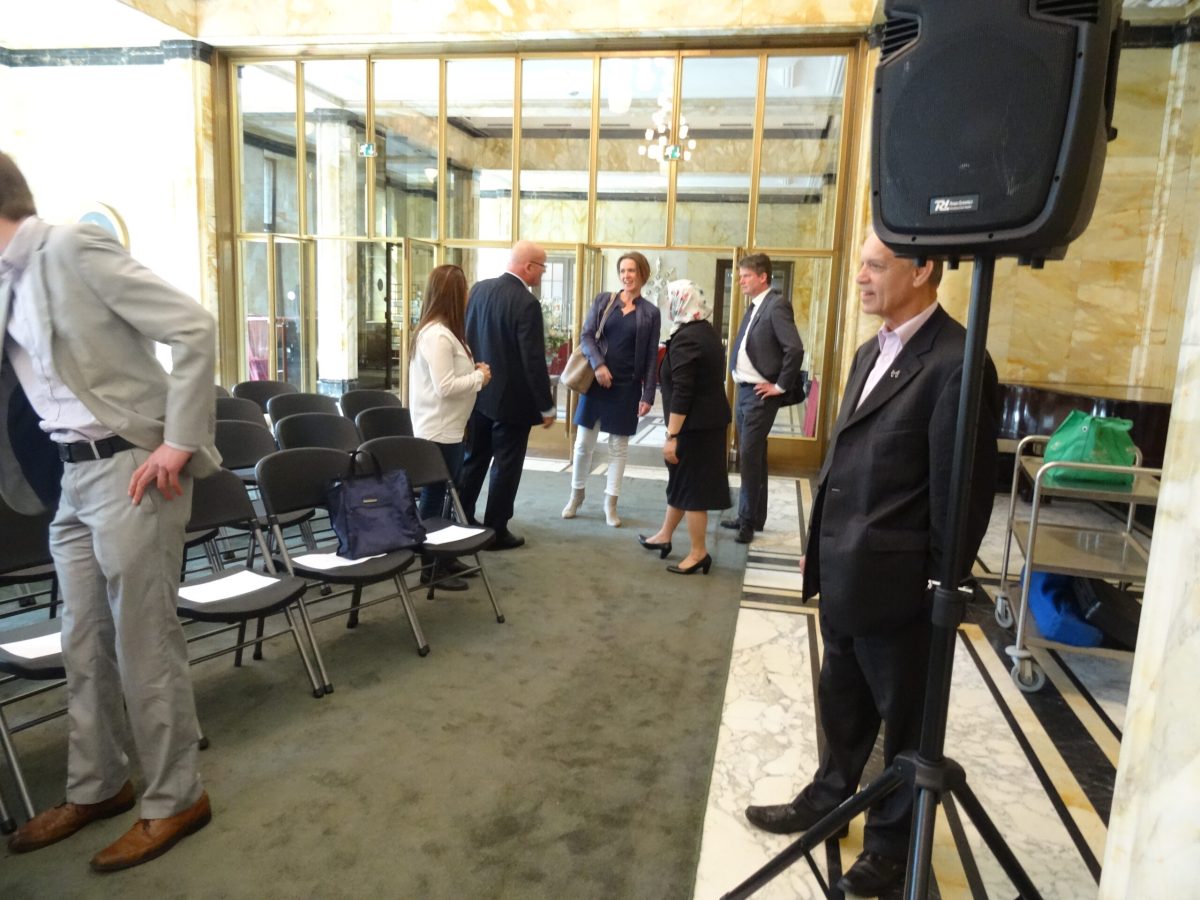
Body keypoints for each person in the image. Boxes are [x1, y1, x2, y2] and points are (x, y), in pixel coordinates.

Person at [743, 231, 999, 897]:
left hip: (902, 588)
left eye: (875, 265)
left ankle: (890, 844)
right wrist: (821, 538)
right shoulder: (868, 351)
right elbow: (845, 455)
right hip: (845, 568)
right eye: (859, 263)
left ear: (924, 269)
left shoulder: (958, 362)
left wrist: (940, 584)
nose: (860, 276)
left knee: (905, 722)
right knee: (842, 699)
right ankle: (828, 796)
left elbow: (963, 495)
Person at [0, 151, 218, 871]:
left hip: (132, 469)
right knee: (83, 640)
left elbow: (193, 327)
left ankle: (177, 797)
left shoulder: (71, 248)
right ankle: (98, 785)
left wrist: (179, 442)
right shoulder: (7, 281)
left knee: (144, 644)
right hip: (69, 475)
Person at [458, 241, 556, 550]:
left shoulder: (479, 290)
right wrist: (546, 405)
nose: (543, 273)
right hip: (512, 403)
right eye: (542, 267)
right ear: (528, 267)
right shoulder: (526, 303)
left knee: (474, 459)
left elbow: (467, 339)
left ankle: (460, 521)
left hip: (478, 394)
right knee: (506, 466)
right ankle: (496, 530)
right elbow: (533, 360)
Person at [637, 280, 731, 575]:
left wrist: (672, 435)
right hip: (707, 423)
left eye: (670, 299)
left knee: (693, 491)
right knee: (682, 482)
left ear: (682, 302)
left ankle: (698, 553)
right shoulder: (705, 331)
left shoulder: (688, 339)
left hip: (695, 428)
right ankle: (665, 535)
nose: (668, 305)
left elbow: (683, 392)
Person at [561, 251, 661, 527]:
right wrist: (599, 365)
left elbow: (651, 356)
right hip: (596, 383)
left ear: (642, 273)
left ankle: (610, 504)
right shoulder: (604, 300)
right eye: (623, 271)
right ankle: (576, 496)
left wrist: (648, 395)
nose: (626, 276)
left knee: (618, 447)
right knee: (583, 444)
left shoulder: (650, 312)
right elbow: (586, 336)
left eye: (632, 270)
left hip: (627, 386)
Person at [409, 263, 491, 589]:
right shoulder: (437, 336)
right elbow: (445, 387)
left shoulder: (445, 332)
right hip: (439, 431)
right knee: (436, 496)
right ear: (453, 295)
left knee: (446, 494)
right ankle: (431, 566)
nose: (468, 294)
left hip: (450, 428)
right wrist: (479, 377)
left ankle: (444, 557)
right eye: (464, 289)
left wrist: (473, 372)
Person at [723, 253, 805, 545]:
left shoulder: (776, 305)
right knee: (754, 455)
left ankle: (746, 522)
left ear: (762, 277)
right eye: (740, 276)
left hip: (759, 395)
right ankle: (754, 516)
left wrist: (780, 386)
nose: (740, 281)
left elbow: (794, 349)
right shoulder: (756, 306)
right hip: (744, 391)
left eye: (746, 276)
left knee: (749, 456)